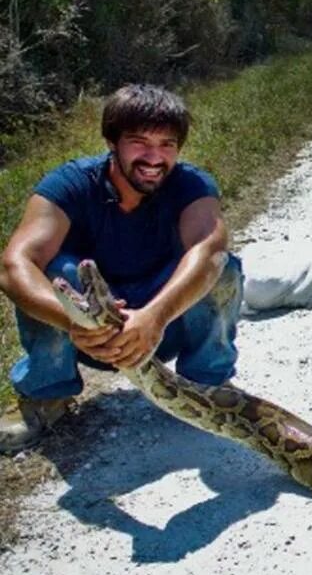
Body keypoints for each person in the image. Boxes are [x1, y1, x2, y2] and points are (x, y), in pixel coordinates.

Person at [0, 85, 243, 451]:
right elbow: (13, 265)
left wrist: (155, 317)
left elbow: (209, 250)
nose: (154, 157)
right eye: (139, 142)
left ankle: (207, 388)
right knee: (53, 271)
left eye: (167, 144)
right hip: (85, 332)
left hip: (162, 326)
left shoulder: (191, 184)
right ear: (112, 141)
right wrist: (75, 323)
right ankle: (45, 397)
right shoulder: (70, 184)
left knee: (222, 268)